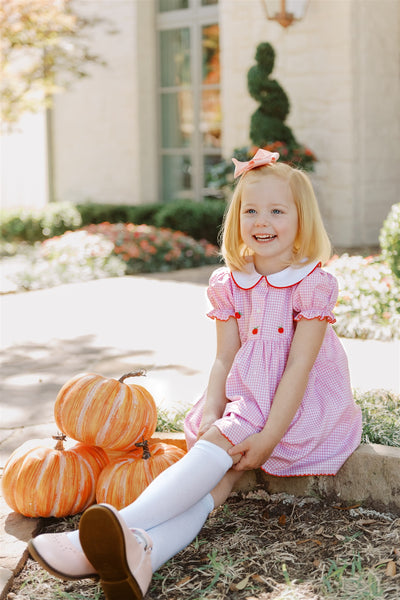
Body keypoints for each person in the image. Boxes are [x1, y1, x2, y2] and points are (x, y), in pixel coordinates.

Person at [28, 149, 362, 600]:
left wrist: (267, 438)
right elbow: (225, 357)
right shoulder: (229, 282)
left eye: (277, 211)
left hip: (295, 405)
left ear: (303, 220)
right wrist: (210, 410)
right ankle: (145, 551)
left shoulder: (313, 284)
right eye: (250, 210)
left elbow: (300, 367)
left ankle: (112, 530)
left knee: (218, 447)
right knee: (216, 477)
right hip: (249, 399)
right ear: (237, 218)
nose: (262, 221)